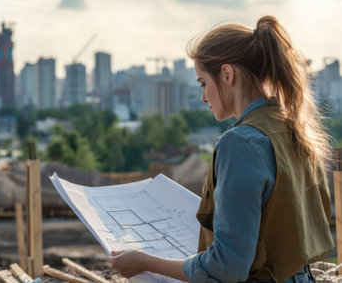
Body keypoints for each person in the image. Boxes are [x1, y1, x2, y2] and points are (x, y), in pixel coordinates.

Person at [108, 15, 335, 282]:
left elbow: (228, 266)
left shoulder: (239, 143)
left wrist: (145, 262)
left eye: (203, 83)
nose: (203, 97)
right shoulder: (295, 128)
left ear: (227, 74)